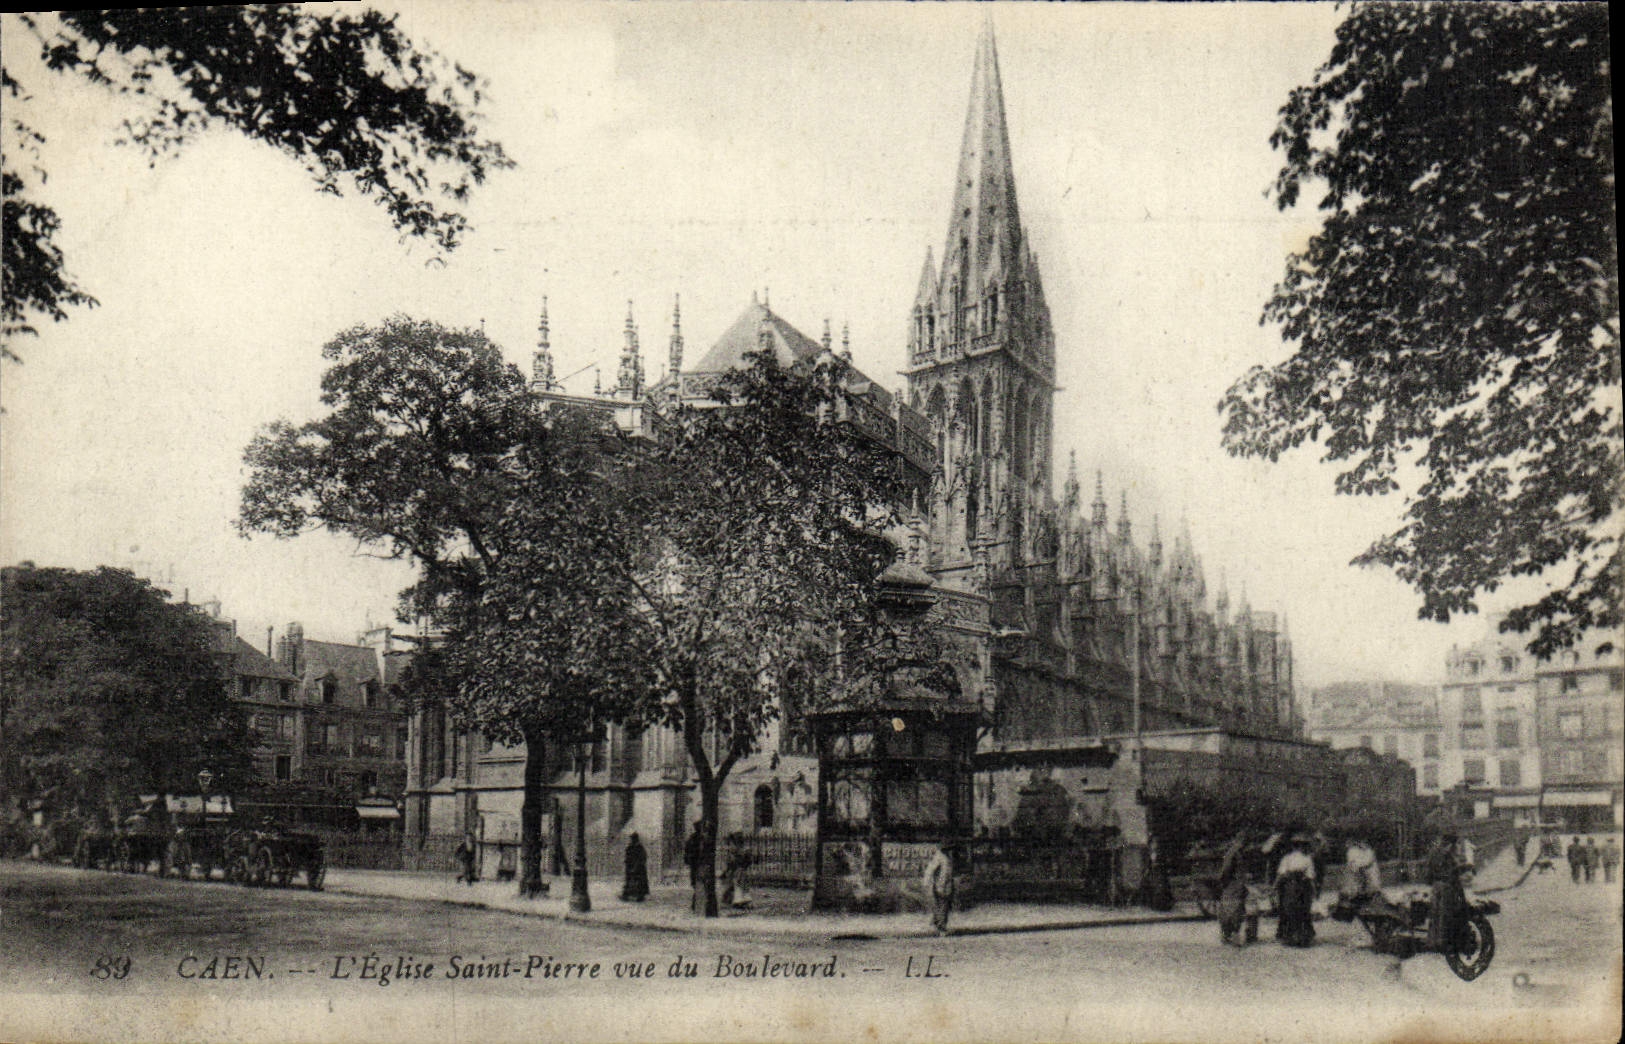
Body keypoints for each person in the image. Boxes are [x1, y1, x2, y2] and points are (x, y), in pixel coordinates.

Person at [1216, 830, 1259, 946]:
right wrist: (1225, 883)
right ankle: (1229, 934)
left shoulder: (1240, 852)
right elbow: (1225, 871)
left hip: (1240, 885)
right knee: (1232, 909)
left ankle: (1249, 934)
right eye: (1244, 842)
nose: (1245, 845)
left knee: (1248, 907)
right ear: (1240, 841)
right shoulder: (1233, 853)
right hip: (1233, 885)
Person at [1425, 833, 1466, 952]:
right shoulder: (1449, 855)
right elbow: (1455, 876)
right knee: (1446, 915)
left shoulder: (1433, 853)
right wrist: (1461, 896)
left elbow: (1427, 873)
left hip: (1435, 887)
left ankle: (1432, 942)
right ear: (1451, 845)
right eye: (1456, 844)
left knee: (1434, 914)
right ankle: (1443, 943)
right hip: (1447, 887)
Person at [1275, 835, 1317, 948]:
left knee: (1289, 909)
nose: (1300, 847)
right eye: (1300, 845)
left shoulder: (1287, 858)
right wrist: (1314, 891)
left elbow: (1281, 874)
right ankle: (1302, 938)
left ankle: (1290, 938)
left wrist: (1275, 886)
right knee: (1303, 910)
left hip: (1290, 886)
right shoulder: (1307, 858)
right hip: (1302, 886)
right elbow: (1311, 876)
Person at [924, 841, 956, 935]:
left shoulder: (947, 857)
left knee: (944, 905)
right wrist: (927, 881)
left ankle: (937, 923)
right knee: (942, 905)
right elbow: (930, 870)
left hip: (947, 884)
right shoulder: (939, 857)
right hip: (940, 885)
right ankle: (941, 926)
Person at [721, 832, 753, 909]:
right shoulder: (744, 850)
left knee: (738, 885)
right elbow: (749, 861)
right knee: (739, 886)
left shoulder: (736, 851)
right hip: (740, 870)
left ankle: (739, 901)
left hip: (737, 870)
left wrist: (728, 868)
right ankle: (739, 900)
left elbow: (731, 862)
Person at [620, 832, 650, 902]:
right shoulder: (631, 847)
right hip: (630, 866)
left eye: (632, 838)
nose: (631, 840)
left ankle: (640, 896)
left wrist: (637, 865)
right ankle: (626, 895)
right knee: (629, 881)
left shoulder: (639, 847)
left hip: (638, 867)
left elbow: (642, 857)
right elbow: (627, 856)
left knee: (638, 882)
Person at [683, 822, 704, 911]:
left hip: (694, 864)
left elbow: (686, 851)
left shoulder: (691, 838)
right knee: (698, 883)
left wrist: (688, 860)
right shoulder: (701, 838)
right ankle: (697, 903)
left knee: (696, 883)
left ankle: (696, 903)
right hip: (698, 863)